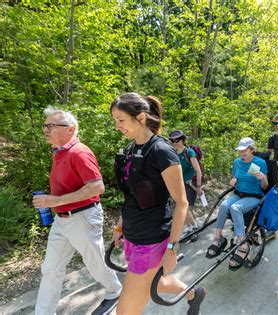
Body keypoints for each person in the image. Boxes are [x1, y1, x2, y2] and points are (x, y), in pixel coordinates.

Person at [110, 93, 206, 315]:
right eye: (115, 120)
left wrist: (172, 248)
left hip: (151, 239)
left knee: (125, 311)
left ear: (141, 117)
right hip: (132, 235)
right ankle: (194, 293)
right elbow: (132, 195)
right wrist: (119, 226)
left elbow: (182, 203)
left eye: (121, 120)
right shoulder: (131, 149)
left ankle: (192, 293)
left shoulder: (161, 151)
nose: (117, 126)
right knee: (156, 281)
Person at [32, 106, 122, 315]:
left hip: (82, 216)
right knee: (51, 269)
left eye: (51, 126)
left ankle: (115, 290)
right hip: (61, 220)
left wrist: (56, 200)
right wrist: (54, 202)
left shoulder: (79, 152)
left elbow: (97, 187)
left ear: (70, 129)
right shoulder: (58, 151)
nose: (45, 129)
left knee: (95, 262)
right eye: (45, 125)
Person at [206, 137, 268, 270]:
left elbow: (265, 187)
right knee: (223, 206)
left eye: (244, 151)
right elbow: (234, 178)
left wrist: (263, 178)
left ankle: (242, 242)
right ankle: (218, 238)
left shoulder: (260, 163)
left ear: (252, 149)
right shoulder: (237, 162)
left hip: (254, 196)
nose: (242, 154)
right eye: (240, 151)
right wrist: (232, 181)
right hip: (238, 194)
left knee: (235, 208)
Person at [169, 130, 202, 242]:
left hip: (190, 184)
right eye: (172, 140)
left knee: (183, 208)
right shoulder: (173, 153)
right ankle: (190, 227)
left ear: (182, 139)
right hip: (179, 185)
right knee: (182, 208)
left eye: (176, 140)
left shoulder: (189, 152)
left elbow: (198, 170)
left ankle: (194, 227)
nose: (174, 142)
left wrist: (198, 186)